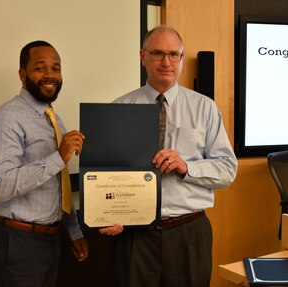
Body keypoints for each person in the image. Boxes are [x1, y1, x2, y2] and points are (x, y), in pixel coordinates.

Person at [99, 25, 238, 287]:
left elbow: (227, 170)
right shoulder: (119, 108)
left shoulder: (204, 108)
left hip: (188, 233)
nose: (166, 62)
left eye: (174, 54)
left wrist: (187, 167)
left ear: (182, 59)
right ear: (143, 57)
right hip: (134, 235)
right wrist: (107, 214)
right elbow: (107, 175)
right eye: (158, 53)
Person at [0, 40, 88, 287]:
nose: (50, 75)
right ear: (23, 74)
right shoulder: (7, 118)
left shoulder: (54, 119)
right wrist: (57, 157)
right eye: (40, 68)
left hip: (50, 239)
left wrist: (74, 231)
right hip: (17, 241)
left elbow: (57, 183)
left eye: (56, 68)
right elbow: (0, 186)